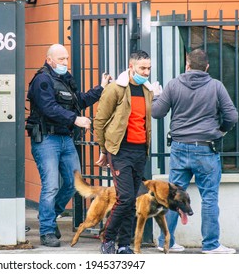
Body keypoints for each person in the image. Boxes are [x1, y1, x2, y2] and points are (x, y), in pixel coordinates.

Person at [152, 48, 238, 254]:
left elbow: (157, 113)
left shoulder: (173, 85)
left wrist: (156, 96)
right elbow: (232, 116)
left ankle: (167, 242)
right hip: (206, 148)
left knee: (173, 196)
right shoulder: (216, 86)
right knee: (209, 197)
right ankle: (211, 245)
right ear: (207, 67)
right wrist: (221, 131)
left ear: (187, 65)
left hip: (180, 147)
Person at [26, 43, 111, 247]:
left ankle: (49, 216)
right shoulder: (42, 80)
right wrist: (75, 119)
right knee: (51, 185)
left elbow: (77, 101)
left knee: (74, 184)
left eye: (66, 59)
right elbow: (49, 108)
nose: (65, 63)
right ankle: (46, 231)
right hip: (47, 139)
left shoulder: (64, 79)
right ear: (49, 60)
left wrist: (101, 89)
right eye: (61, 59)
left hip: (65, 139)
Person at [94, 50, 156, 254]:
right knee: (126, 198)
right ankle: (107, 238)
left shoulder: (147, 90)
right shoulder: (116, 89)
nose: (146, 72)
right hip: (120, 151)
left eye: (148, 68)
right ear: (131, 67)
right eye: (142, 68)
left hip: (140, 151)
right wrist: (104, 149)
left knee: (132, 200)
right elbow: (100, 120)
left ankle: (123, 245)